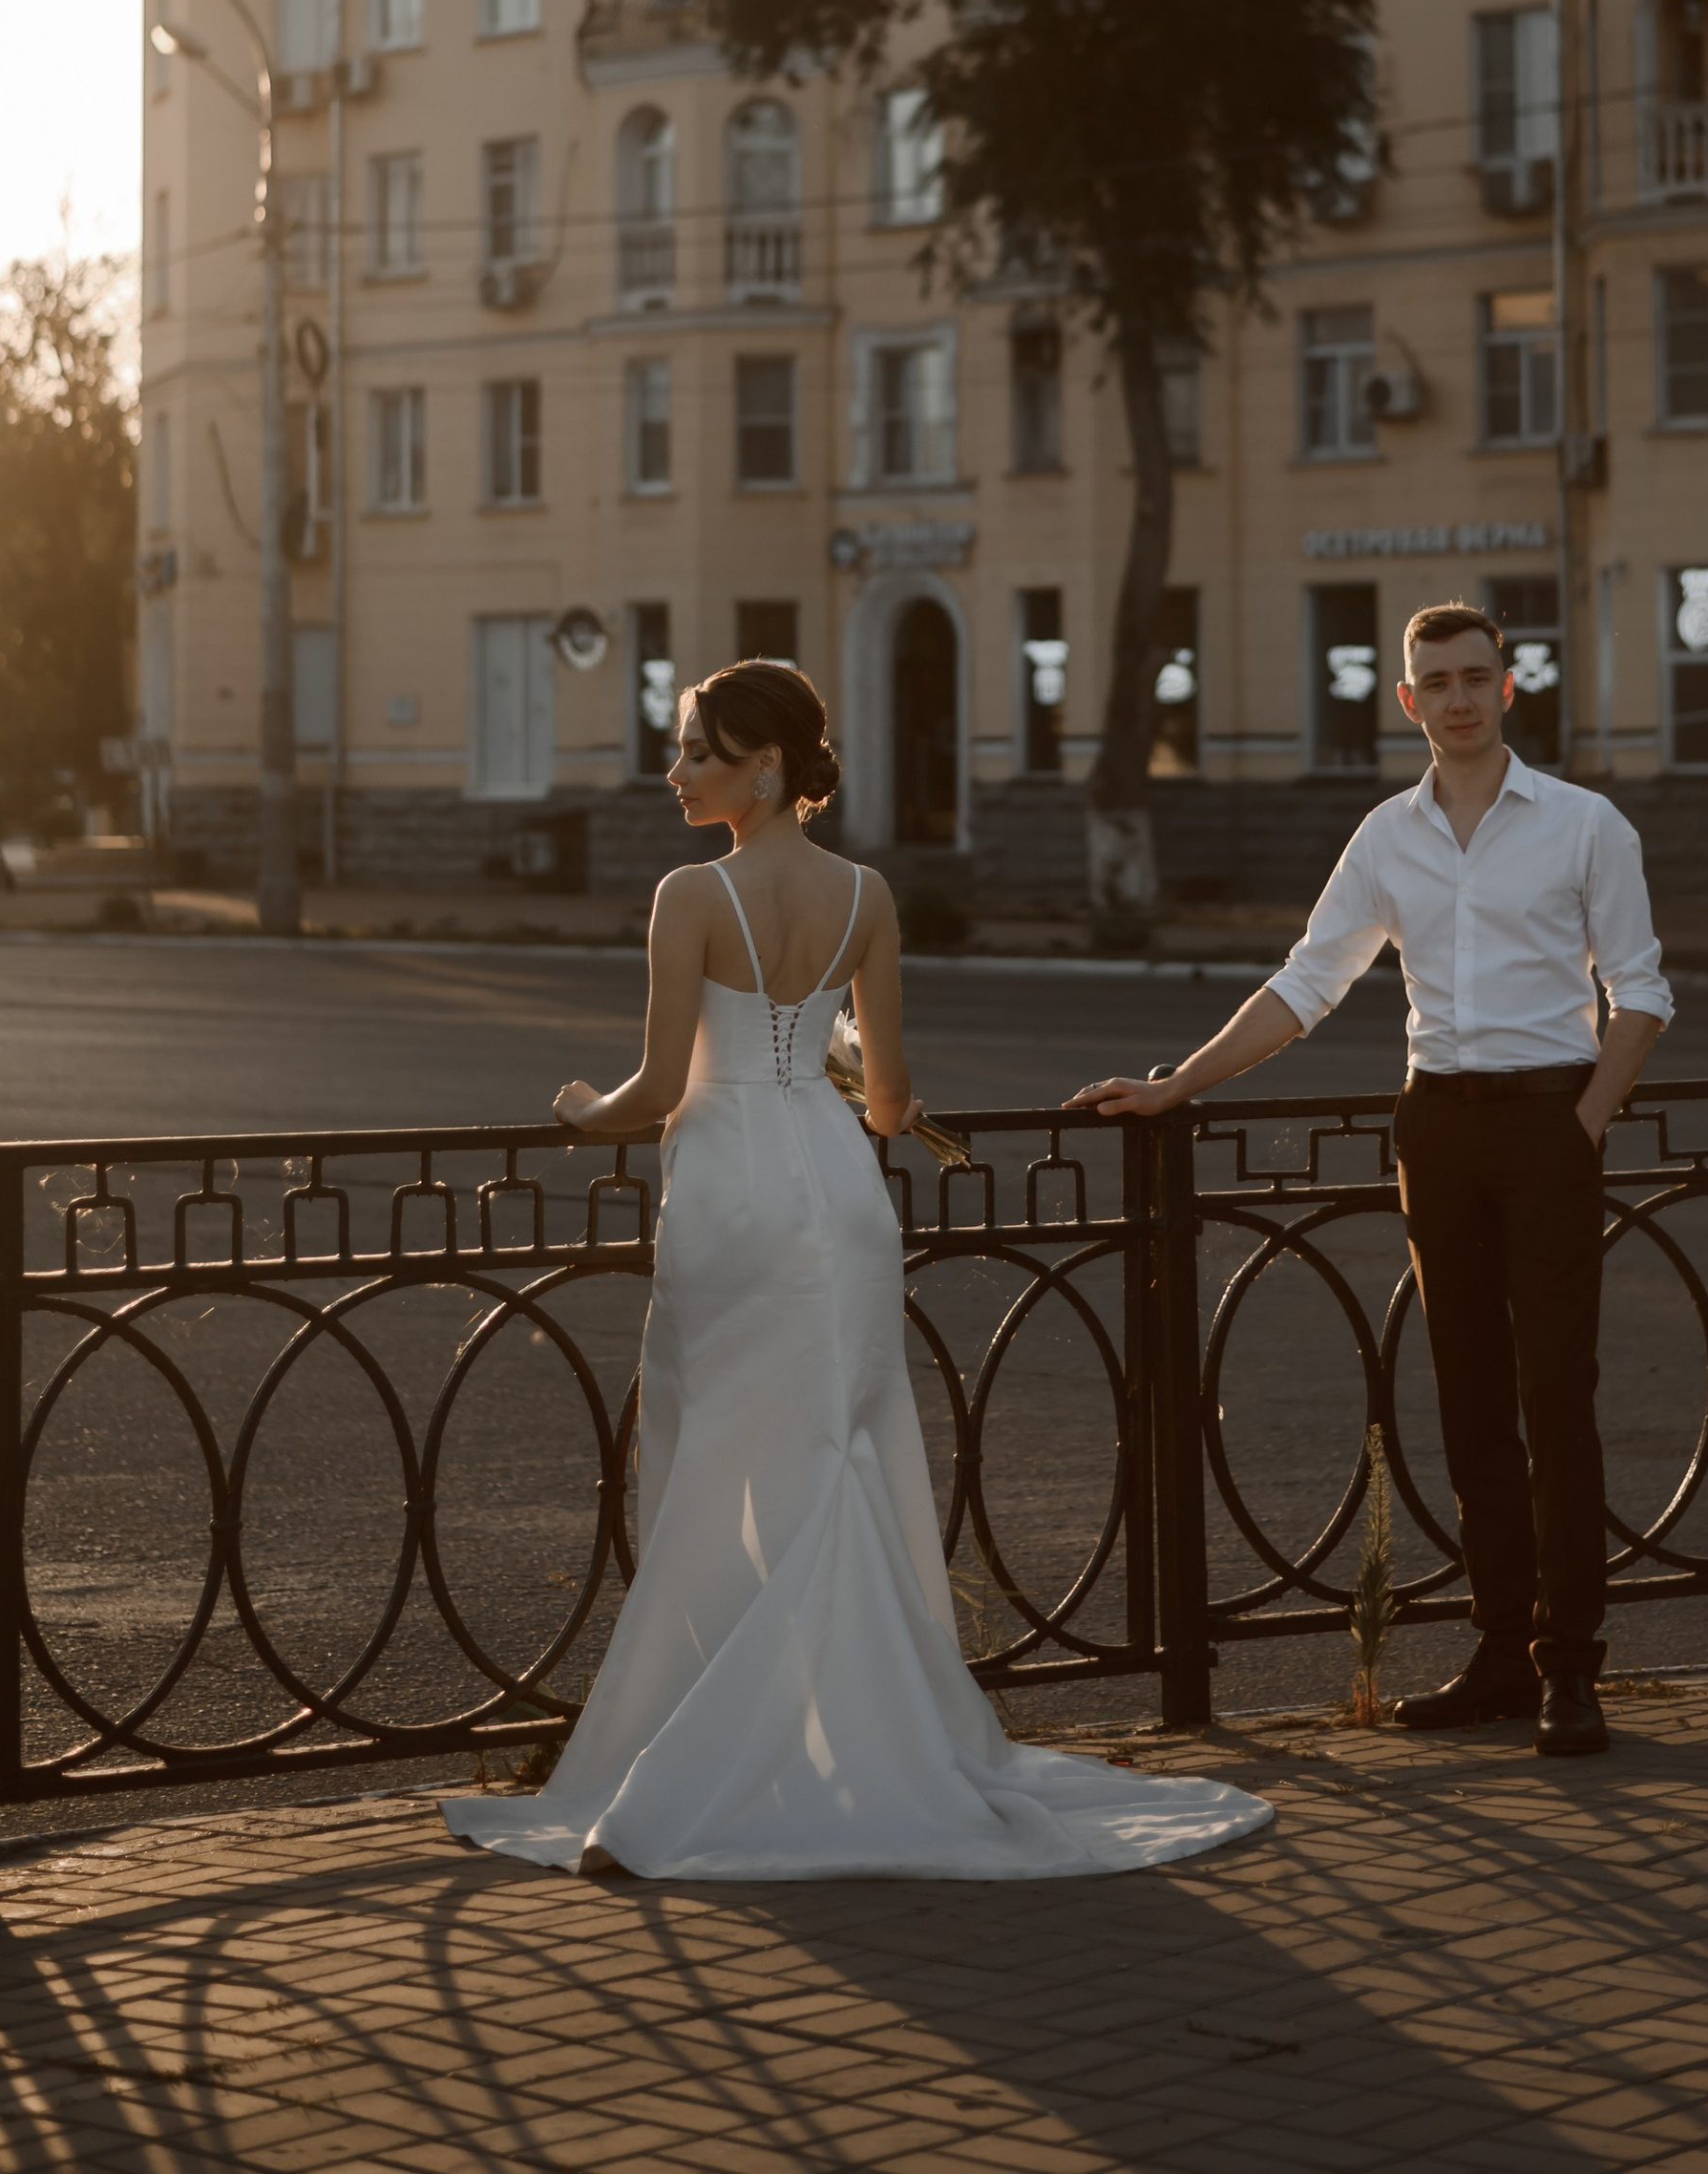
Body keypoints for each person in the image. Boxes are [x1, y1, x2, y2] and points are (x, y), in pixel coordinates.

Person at [442, 660, 1271, 1884]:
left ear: (767, 767)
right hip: (836, 1196)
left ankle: (712, 1760)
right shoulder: (867, 895)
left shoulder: (692, 895)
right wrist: (840, 1076)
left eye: (697, 752)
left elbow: (659, 1089)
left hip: (729, 1198)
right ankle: (870, 1750)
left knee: (720, 1460)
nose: (675, 773)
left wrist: (578, 1113)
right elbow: (886, 1107)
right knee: (837, 1456)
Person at [1070, 599, 1671, 1761]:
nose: (1455, 697)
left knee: (1556, 1398)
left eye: (1474, 676)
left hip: (1549, 1121)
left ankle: (1570, 1670)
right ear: (1406, 701)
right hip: (1435, 1131)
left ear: (1508, 686)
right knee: (1469, 1406)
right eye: (1433, 681)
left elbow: (1639, 994)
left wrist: (1582, 1124)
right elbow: (1306, 985)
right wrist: (1174, 1087)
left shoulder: (1587, 825)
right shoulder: (1385, 838)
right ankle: (1501, 1654)